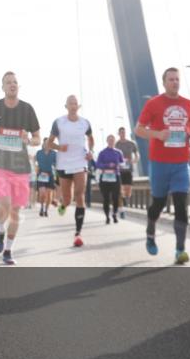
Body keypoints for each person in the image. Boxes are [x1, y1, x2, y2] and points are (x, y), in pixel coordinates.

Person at [135, 67, 190, 265]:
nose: (175, 82)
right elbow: (138, 129)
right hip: (160, 163)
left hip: (181, 162)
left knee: (181, 205)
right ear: (164, 83)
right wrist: (157, 134)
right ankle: (150, 230)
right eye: (171, 79)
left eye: (177, 79)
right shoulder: (153, 103)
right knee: (159, 204)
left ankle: (180, 249)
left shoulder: (188, 104)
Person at [0, 71, 41, 265]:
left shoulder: (27, 109)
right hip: (0, 165)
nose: (12, 85)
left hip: (21, 168)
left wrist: (29, 139)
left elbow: (38, 138)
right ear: (2, 87)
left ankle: (8, 250)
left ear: (18, 86)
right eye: (8, 82)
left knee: (15, 212)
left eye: (15, 82)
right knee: (4, 204)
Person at [47, 95, 94, 247]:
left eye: (75, 104)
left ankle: (78, 233)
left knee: (80, 195)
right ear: (66, 106)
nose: (73, 106)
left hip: (80, 162)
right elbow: (49, 143)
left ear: (78, 106)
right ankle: (63, 205)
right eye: (70, 104)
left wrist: (91, 150)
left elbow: (91, 139)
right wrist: (59, 147)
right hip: (63, 164)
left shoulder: (85, 123)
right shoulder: (59, 122)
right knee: (68, 199)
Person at [95, 134, 124, 224]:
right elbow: (98, 164)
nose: (111, 141)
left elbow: (122, 164)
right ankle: (107, 216)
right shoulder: (102, 152)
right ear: (107, 141)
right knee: (106, 198)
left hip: (115, 177)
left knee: (115, 197)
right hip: (104, 178)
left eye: (113, 140)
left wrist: (117, 165)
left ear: (114, 141)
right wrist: (107, 165)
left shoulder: (118, 152)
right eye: (109, 140)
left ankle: (114, 214)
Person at [115, 127, 139, 214]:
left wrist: (135, 160)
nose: (122, 134)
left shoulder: (131, 143)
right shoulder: (116, 144)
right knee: (121, 188)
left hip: (129, 169)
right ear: (119, 134)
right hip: (119, 170)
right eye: (121, 132)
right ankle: (123, 205)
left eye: (124, 132)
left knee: (128, 190)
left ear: (125, 133)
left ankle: (125, 199)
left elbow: (137, 154)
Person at [34, 137, 58, 217]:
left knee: (49, 195)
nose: (47, 145)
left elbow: (57, 164)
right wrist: (35, 169)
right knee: (42, 194)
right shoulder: (39, 153)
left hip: (50, 175)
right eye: (45, 143)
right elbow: (34, 161)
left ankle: (46, 210)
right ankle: (41, 207)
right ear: (43, 144)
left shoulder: (54, 153)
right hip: (41, 174)